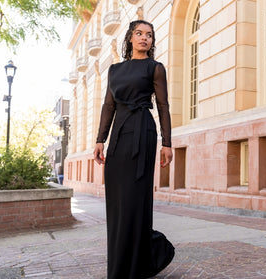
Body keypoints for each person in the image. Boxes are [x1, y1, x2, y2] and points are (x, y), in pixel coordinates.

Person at [93, 20, 175, 279]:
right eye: (139, 34)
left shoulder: (155, 68)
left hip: (142, 133)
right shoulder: (114, 70)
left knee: (135, 200)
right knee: (118, 202)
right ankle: (121, 265)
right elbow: (109, 106)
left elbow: (163, 106)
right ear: (130, 38)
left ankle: (139, 263)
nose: (144, 38)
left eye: (149, 35)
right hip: (118, 137)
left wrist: (167, 143)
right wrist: (99, 139)